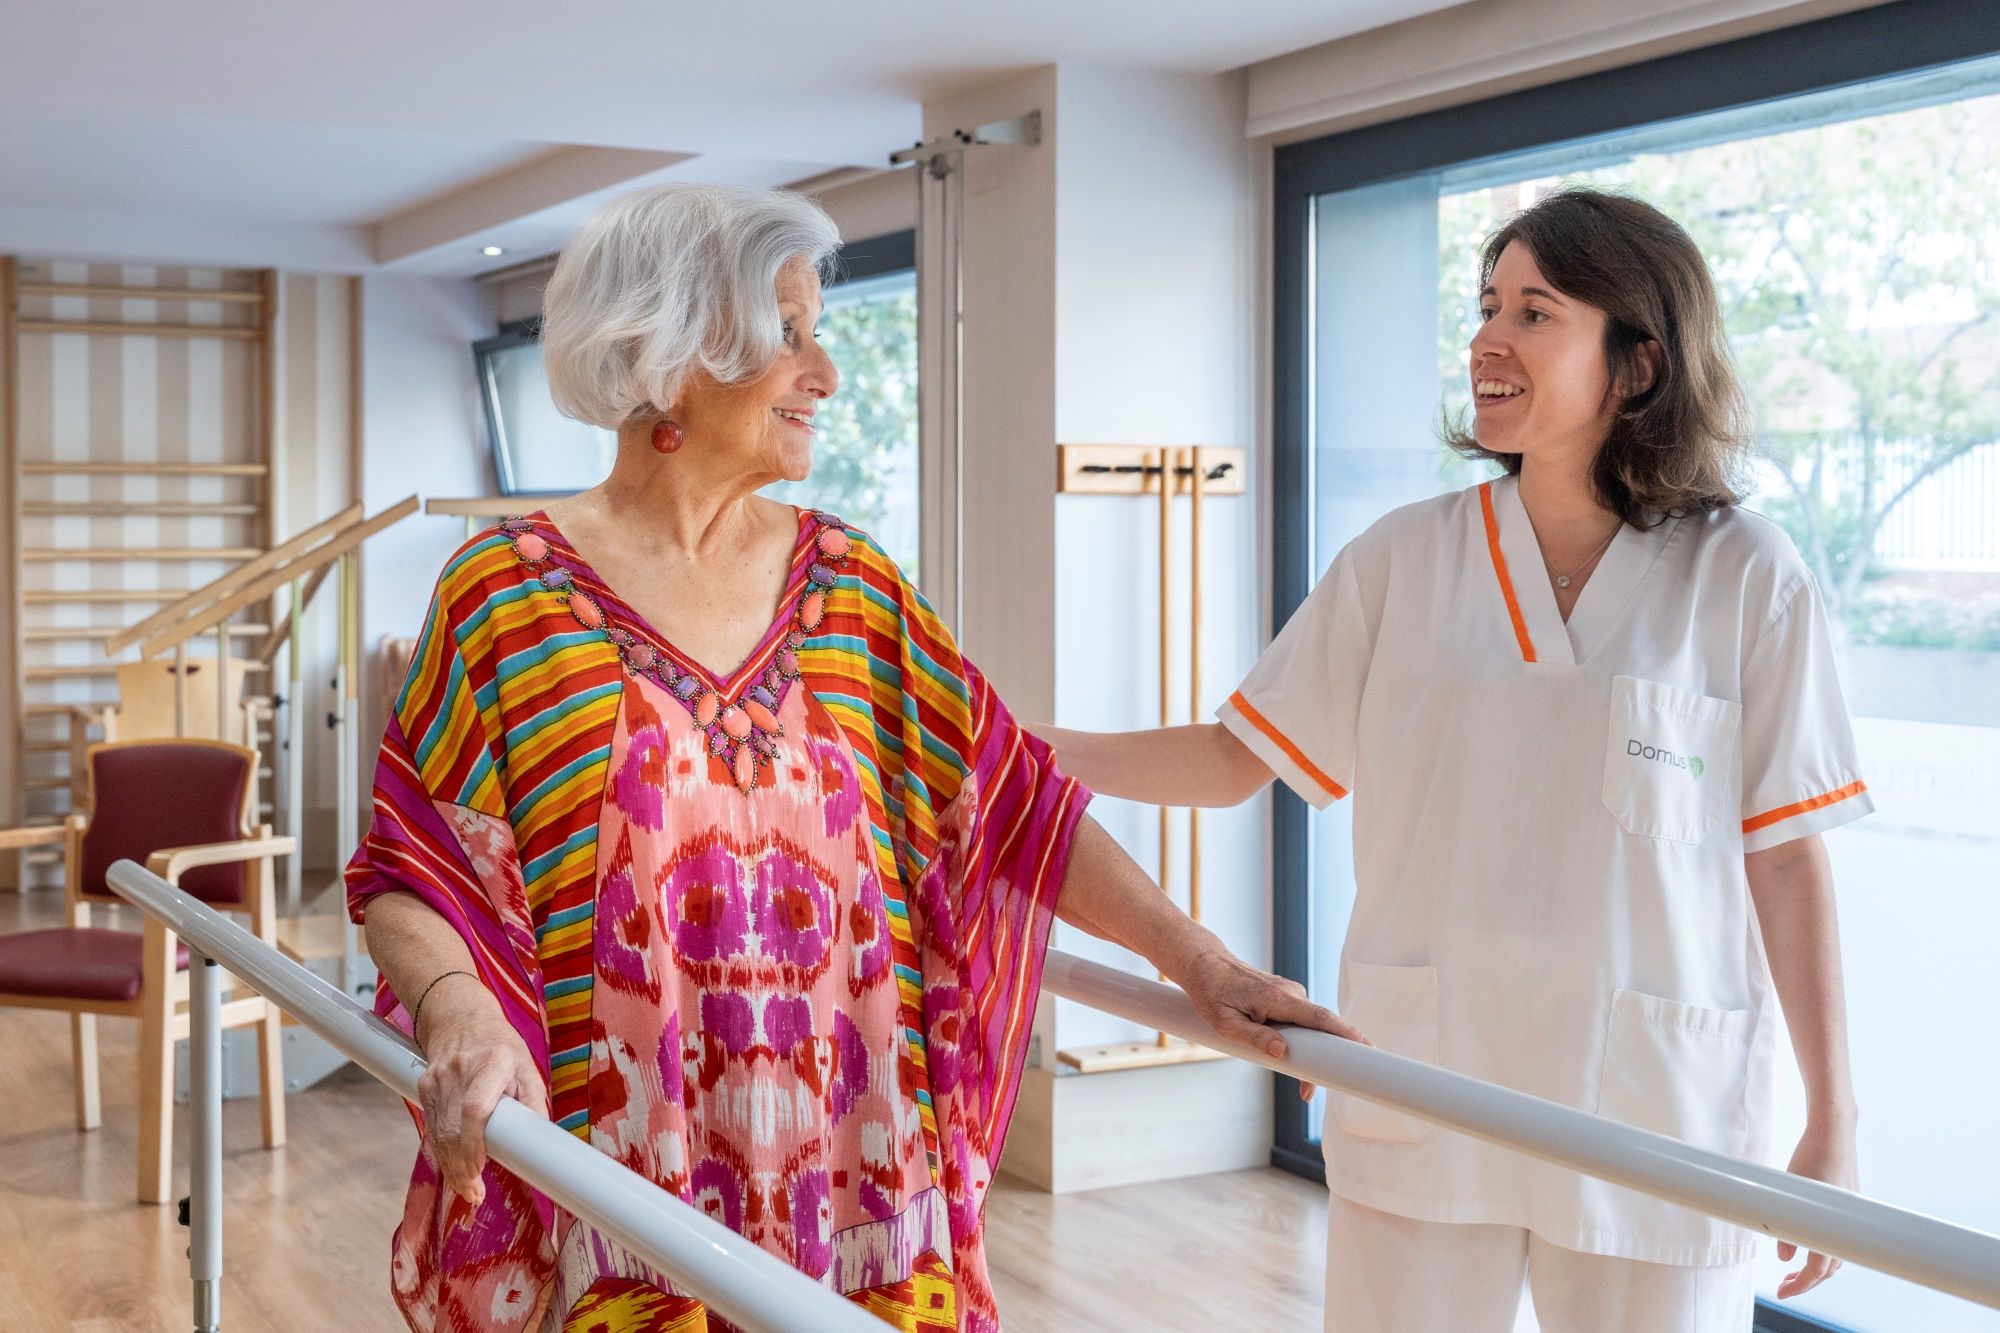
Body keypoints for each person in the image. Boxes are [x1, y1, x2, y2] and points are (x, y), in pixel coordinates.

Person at [346, 181, 1350, 1333]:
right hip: (623, 1171)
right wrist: (459, 1009)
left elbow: (1016, 805)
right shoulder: (504, 595)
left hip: (857, 1168)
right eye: (790, 332)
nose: (824, 372)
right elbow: (415, 866)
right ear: (669, 350)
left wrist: (1201, 964)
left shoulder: (852, 586)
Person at [1038, 188, 1869, 1331]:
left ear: (1635, 363)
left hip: (1652, 1101)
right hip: (1428, 1073)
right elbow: (1237, 759)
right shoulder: (1398, 561)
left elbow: (1783, 855)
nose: (1485, 336)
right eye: (1485, 305)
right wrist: (1020, 746)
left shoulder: (1742, 575)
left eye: (1535, 311)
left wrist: (1832, 1118)